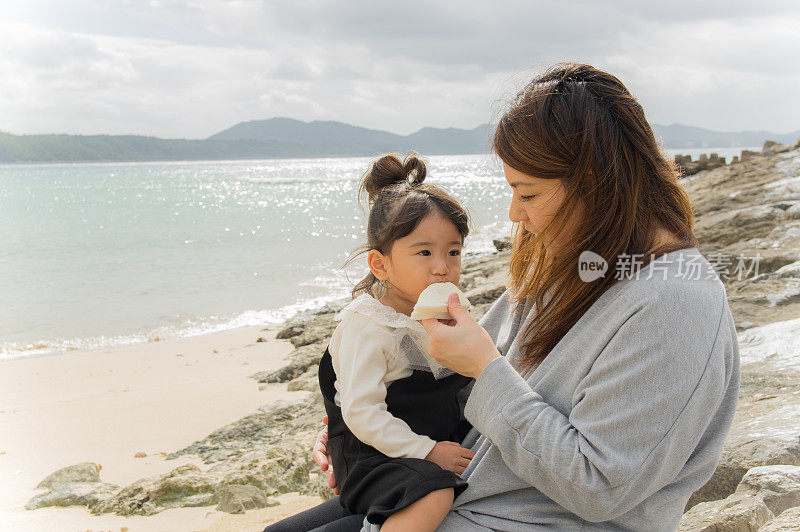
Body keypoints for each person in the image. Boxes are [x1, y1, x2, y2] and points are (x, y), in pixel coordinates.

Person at [269, 63, 741, 531]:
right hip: (462, 489)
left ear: (598, 182)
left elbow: (600, 487)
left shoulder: (676, 304)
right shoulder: (582, 264)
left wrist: (488, 370)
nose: (514, 214)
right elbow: (444, 372)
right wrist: (352, 427)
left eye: (528, 194)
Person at [269, 153, 477, 532]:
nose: (442, 267)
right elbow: (362, 413)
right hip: (373, 458)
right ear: (380, 265)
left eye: (454, 251)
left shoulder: (441, 314)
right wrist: (428, 451)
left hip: (411, 452)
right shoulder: (370, 324)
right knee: (436, 493)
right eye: (424, 252)